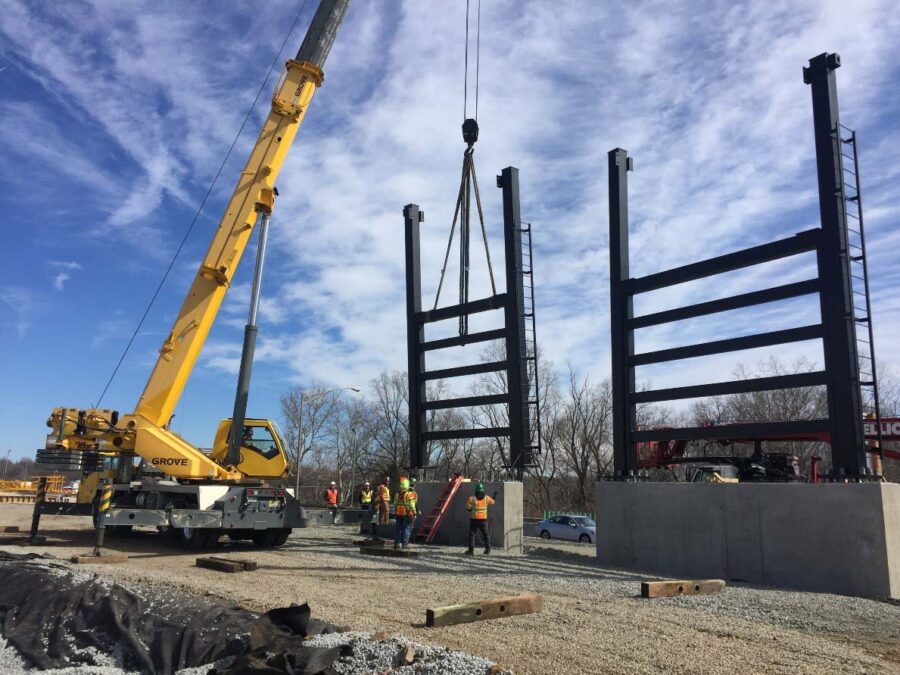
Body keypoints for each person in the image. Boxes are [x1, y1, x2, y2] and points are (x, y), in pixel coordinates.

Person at [465, 481, 495, 555]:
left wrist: (473, 510)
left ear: (476, 490)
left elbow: (468, 508)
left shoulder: (472, 498)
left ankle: (471, 550)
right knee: (486, 534)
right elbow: (493, 502)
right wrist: (494, 496)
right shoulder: (486, 498)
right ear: (483, 490)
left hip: (474, 519)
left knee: (472, 534)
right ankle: (487, 549)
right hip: (483, 520)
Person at [393, 477, 418, 549]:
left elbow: (395, 504)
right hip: (407, 514)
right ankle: (404, 544)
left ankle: (397, 544)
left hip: (398, 513)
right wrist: (414, 513)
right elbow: (412, 505)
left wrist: (395, 511)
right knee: (406, 529)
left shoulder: (397, 494)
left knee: (398, 529)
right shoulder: (410, 494)